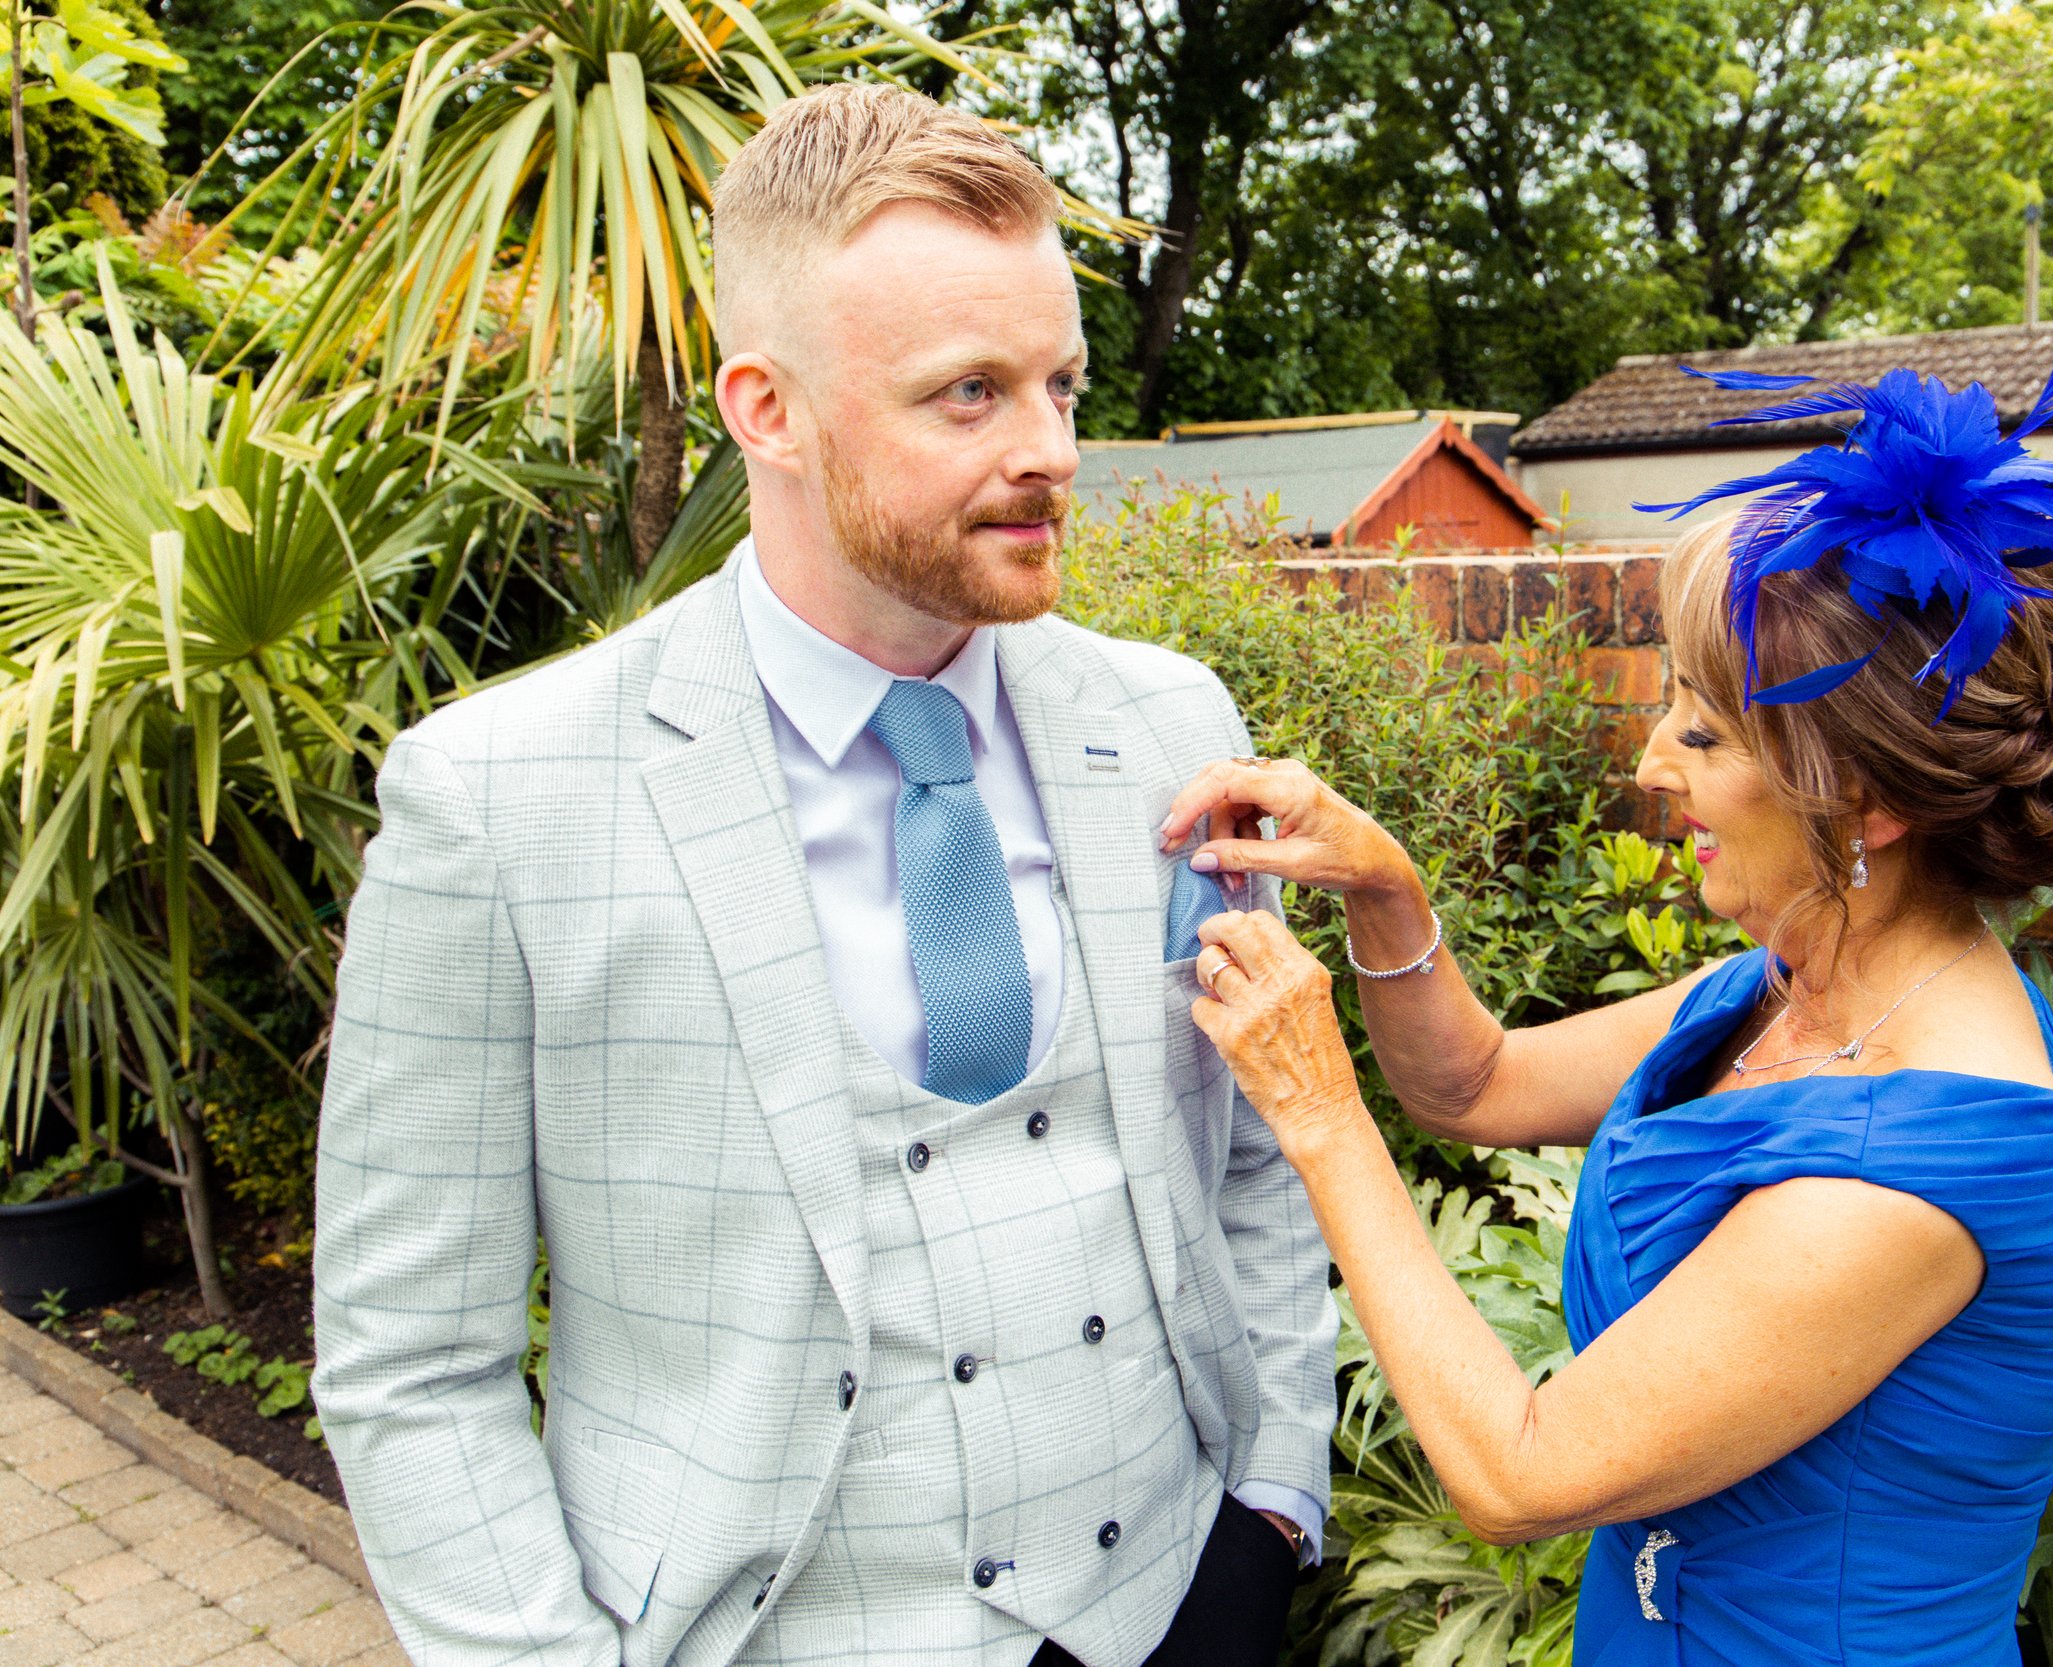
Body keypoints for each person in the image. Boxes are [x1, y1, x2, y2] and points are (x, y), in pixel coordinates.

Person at [311, 84, 1333, 1667]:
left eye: (1060, 383)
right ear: (767, 409)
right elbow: (407, 1363)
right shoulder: (497, 802)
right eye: (969, 395)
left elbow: (1260, 1156)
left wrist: (1269, 1508)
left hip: (1175, 1605)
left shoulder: (1168, 723)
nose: (1051, 453)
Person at [1167, 320, 2053, 1665]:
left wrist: (1314, 1108)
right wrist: (1385, 890)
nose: (1652, 763)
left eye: (1702, 730)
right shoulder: (1777, 992)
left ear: (1859, 799)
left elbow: (1519, 1473)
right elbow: (1474, 1085)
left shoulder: (1906, 1179)